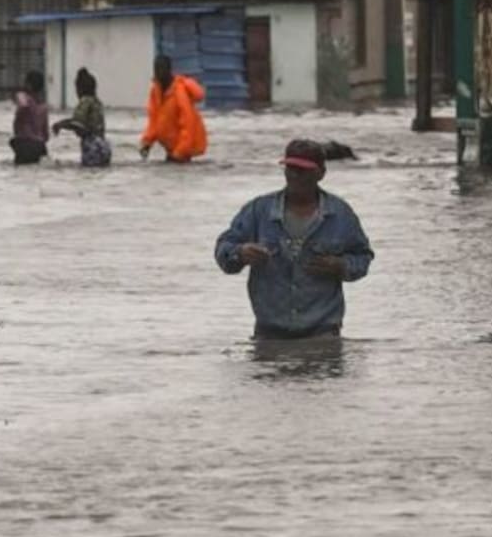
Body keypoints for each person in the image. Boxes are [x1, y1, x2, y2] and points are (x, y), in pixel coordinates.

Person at [214, 138, 373, 339]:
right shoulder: (258, 210)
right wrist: (241, 253)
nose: (296, 176)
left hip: (323, 333)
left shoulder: (340, 214)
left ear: (321, 173)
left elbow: (363, 257)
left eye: (303, 170)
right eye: (291, 169)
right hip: (269, 334)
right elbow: (224, 249)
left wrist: (341, 266)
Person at [139, 55, 208, 163]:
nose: (158, 73)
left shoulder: (179, 92)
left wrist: (180, 152)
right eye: (156, 69)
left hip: (182, 153)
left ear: (169, 70)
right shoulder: (155, 91)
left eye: (161, 69)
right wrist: (147, 143)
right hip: (170, 150)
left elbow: (188, 125)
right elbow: (153, 120)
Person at [52, 67, 111, 167]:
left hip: (92, 146)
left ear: (79, 88)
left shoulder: (85, 101)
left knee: (87, 176)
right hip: (104, 145)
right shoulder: (97, 102)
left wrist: (60, 125)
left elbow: (77, 124)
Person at [9, 70, 49, 165]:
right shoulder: (44, 107)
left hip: (25, 143)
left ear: (28, 85)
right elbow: (46, 135)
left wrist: (19, 118)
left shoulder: (22, 96)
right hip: (39, 145)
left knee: (21, 171)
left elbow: (23, 105)